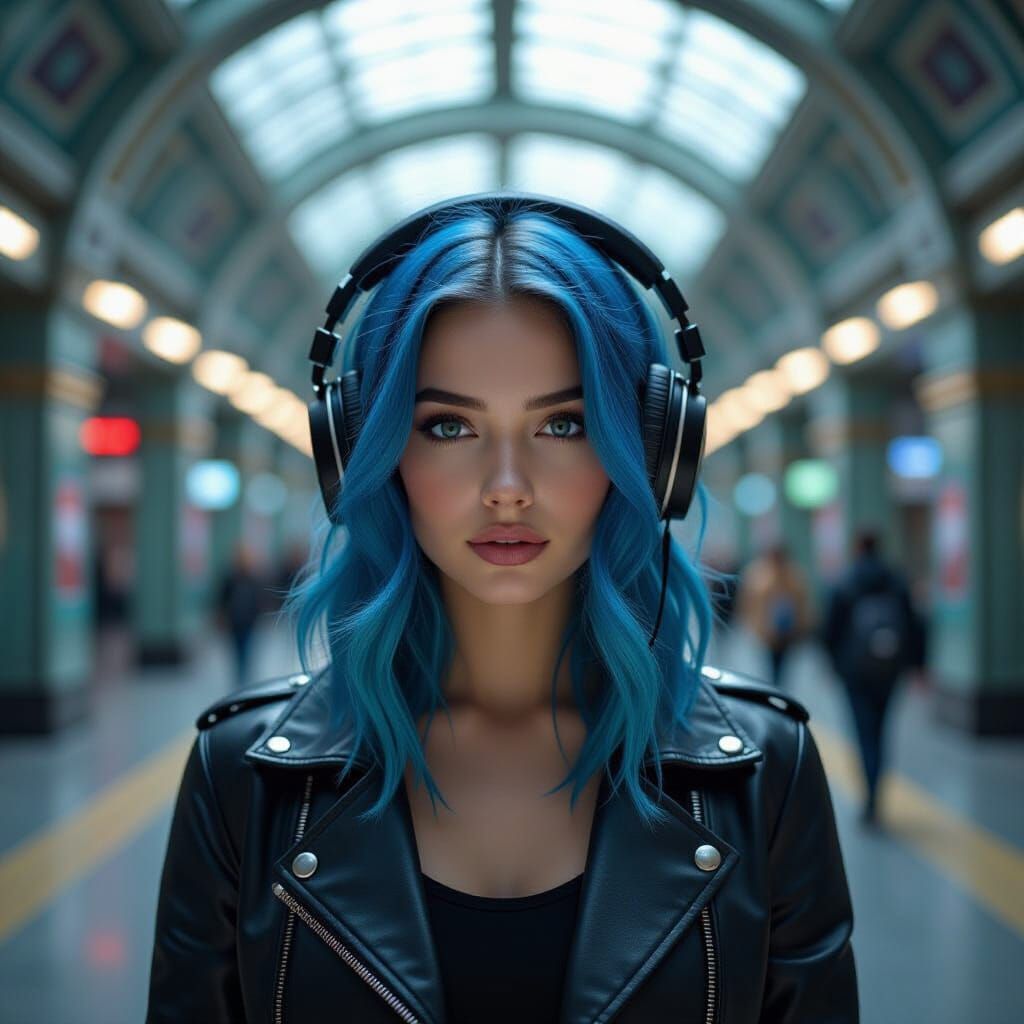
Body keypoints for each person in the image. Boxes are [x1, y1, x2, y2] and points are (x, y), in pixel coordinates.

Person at [148, 196, 857, 1023]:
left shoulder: (766, 775)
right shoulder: (242, 780)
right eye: (448, 426)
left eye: (565, 424)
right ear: (364, 454)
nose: (508, 486)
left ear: (652, 452)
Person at [822, 528, 923, 826]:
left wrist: (834, 664)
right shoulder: (896, 581)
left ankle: (869, 798)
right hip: (890, 671)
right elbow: (915, 626)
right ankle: (877, 790)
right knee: (881, 730)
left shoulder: (846, 582)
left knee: (862, 731)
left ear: (857, 548)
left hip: (855, 672)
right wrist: (917, 665)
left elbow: (831, 631)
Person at [735, 541, 814, 690]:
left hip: (788, 632)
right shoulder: (759, 574)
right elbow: (748, 602)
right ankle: (776, 685)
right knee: (771, 662)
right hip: (767, 632)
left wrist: (804, 625)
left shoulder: (793, 575)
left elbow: (803, 604)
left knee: (782, 663)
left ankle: (778, 685)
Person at [216, 543, 266, 689]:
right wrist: (220, 615)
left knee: (246, 648)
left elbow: (258, 599)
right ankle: (239, 675)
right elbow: (222, 598)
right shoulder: (229, 578)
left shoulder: (254, 578)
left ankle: (244, 675)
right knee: (236, 649)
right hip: (234, 621)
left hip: (249, 621)